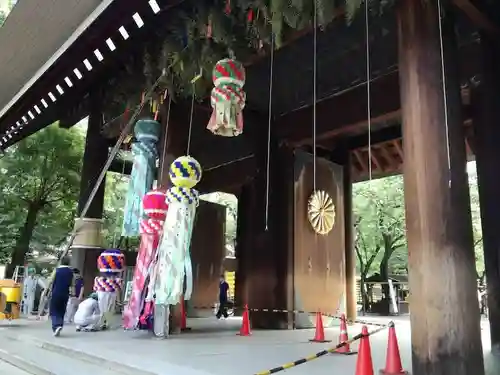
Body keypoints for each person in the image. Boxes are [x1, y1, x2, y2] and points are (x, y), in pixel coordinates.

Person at [49, 257, 74, 336]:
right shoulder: (71, 272)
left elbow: (50, 281)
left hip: (56, 293)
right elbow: (72, 284)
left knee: (54, 310)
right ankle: (60, 325)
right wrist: (73, 294)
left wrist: (48, 290)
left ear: (61, 262)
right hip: (65, 294)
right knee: (62, 310)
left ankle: (56, 326)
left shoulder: (57, 270)